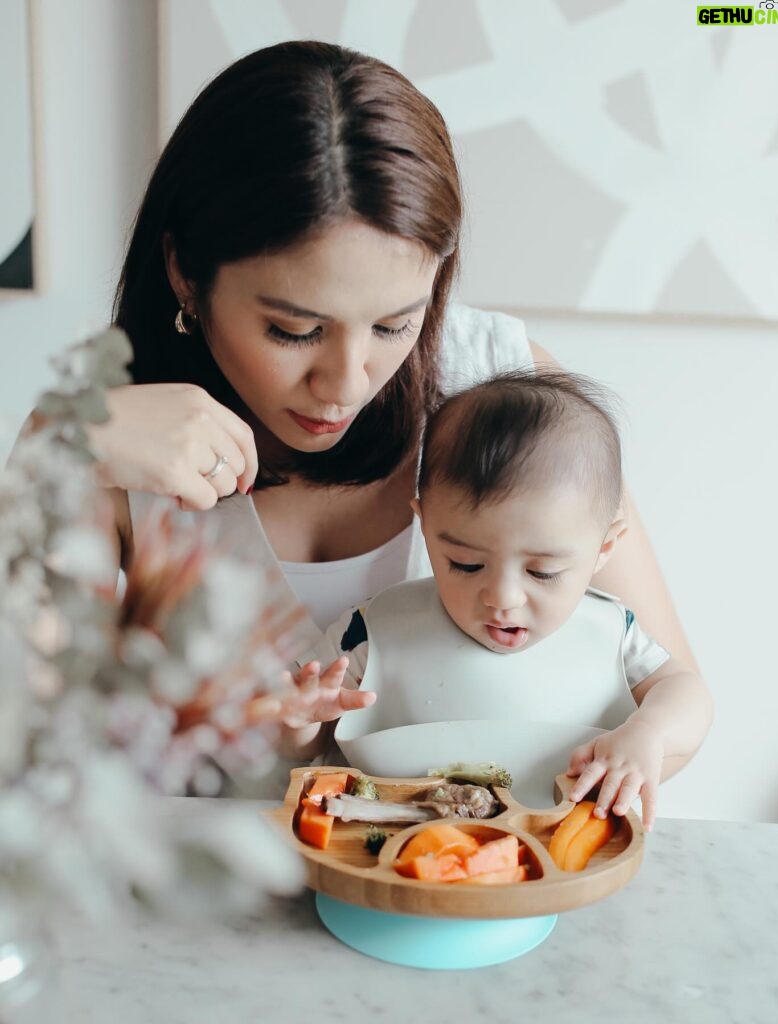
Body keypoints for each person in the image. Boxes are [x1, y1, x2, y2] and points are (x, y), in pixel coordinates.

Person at [40, 41, 702, 788]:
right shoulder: (117, 435)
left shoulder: (504, 388)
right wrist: (51, 452)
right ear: (186, 275)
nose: (347, 384)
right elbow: (26, 745)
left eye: (394, 325)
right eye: (295, 330)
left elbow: (669, 699)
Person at [275, 369, 713, 829]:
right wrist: (300, 722)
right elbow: (305, 744)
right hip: (410, 859)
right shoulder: (373, 629)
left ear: (604, 547)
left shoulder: (611, 632)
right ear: (425, 525)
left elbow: (688, 694)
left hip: (568, 859)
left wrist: (648, 732)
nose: (502, 598)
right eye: (465, 564)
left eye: (542, 572)